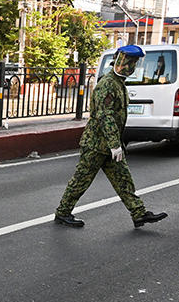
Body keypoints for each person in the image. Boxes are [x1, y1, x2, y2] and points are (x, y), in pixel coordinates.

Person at [54, 44, 167, 228]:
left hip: (111, 145)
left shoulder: (118, 84)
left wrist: (116, 145)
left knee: (124, 179)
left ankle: (138, 213)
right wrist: (115, 145)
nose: (132, 67)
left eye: (135, 63)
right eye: (130, 62)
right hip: (96, 145)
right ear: (121, 62)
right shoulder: (107, 84)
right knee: (81, 180)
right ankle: (63, 212)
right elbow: (105, 117)